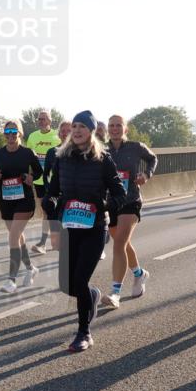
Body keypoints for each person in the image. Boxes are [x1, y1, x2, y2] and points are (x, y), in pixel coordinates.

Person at [43, 111, 126, 352]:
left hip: (94, 227)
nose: (77, 130)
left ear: (90, 131)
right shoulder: (61, 158)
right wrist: (49, 202)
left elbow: (119, 194)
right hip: (70, 227)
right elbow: (53, 190)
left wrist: (105, 205)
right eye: (75, 126)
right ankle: (93, 294)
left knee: (79, 279)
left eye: (82, 127)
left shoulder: (103, 159)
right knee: (67, 285)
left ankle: (84, 332)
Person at [101, 114, 157, 308]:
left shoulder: (136, 147)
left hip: (131, 200)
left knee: (118, 246)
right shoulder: (101, 150)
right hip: (111, 202)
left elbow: (152, 159)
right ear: (108, 129)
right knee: (121, 243)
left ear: (125, 129)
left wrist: (146, 174)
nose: (115, 129)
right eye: (111, 126)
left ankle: (115, 293)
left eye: (118, 125)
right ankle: (140, 274)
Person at [0, 121, 42, 293]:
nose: (10, 135)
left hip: (25, 201)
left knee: (13, 236)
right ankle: (31, 268)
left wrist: (31, 177)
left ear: (20, 134)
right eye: (7, 132)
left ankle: (11, 280)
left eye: (13, 131)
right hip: (7, 201)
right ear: (4, 134)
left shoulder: (27, 153)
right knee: (17, 237)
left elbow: (39, 172)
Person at [25, 110, 64, 255]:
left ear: (50, 120)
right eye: (39, 119)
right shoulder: (33, 136)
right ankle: (50, 240)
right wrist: (29, 174)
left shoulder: (56, 135)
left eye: (43, 119)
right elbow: (28, 158)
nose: (41, 121)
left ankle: (45, 242)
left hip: (56, 180)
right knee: (46, 211)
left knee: (50, 211)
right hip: (39, 180)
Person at [41, 121, 72, 252]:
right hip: (57, 197)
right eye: (62, 131)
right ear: (59, 134)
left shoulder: (81, 152)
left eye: (68, 130)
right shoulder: (51, 152)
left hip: (73, 198)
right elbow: (46, 174)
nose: (65, 133)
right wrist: (50, 191)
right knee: (56, 244)